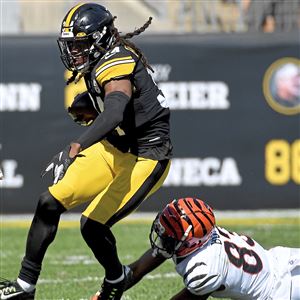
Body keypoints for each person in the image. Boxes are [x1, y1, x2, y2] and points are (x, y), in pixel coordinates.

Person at [0, 3, 172, 300]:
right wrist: (90, 103)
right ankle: (25, 289)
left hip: (146, 156)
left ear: (101, 38)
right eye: (72, 45)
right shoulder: (103, 58)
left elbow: (116, 111)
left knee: (92, 226)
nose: (74, 52)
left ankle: (116, 279)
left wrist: (77, 144)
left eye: (80, 44)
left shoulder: (117, 61)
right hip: (115, 148)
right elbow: (119, 107)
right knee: (49, 203)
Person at [101, 197, 300, 300]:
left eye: (168, 234)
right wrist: (107, 293)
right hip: (279, 260)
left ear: (190, 242)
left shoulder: (205, 268)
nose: (162, 235)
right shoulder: (197, 237)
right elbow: (136, 270)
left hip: (281, 292)